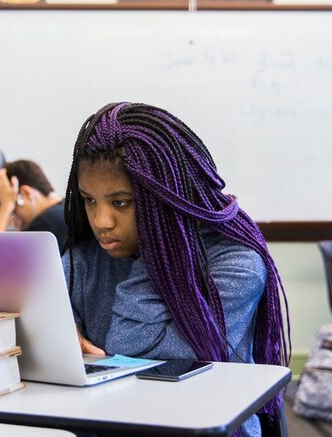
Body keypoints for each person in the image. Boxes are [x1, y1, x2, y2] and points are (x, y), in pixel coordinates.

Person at [61, 102, 290, 437]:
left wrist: (159, 246)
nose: (101, 222)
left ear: (165, 197)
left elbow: (137, 350)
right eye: (89, 200)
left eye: (120, 202)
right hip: (113, 422)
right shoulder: (85, 259)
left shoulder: (237, 265)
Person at [0, 159, 66, 253]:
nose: (14, 223)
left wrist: (5, 207)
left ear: (26, 193)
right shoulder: (65, 210)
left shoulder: (46, 223)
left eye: (13, 211)